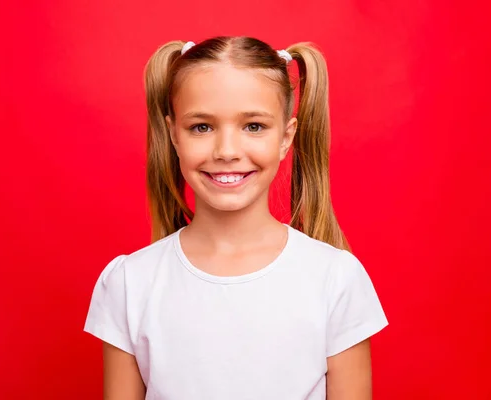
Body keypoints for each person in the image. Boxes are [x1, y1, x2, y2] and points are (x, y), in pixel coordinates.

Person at [84, 36, 388, 400]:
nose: (227, 151)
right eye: (202, 127)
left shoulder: (336, 279)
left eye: (254, 126)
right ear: (173, 134)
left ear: (286, 137)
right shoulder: (129, 283)